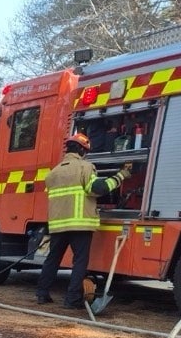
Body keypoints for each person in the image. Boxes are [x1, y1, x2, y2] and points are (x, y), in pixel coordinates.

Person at [35, 132, 132, 309]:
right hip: (79, 223)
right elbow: (96, 189)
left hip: (57, 224)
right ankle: (72, 299)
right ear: (81, 150)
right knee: (79, 261)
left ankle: (42, 294)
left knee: (52, 259)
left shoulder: (53, 173)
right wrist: (121, 176)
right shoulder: (85, 167)